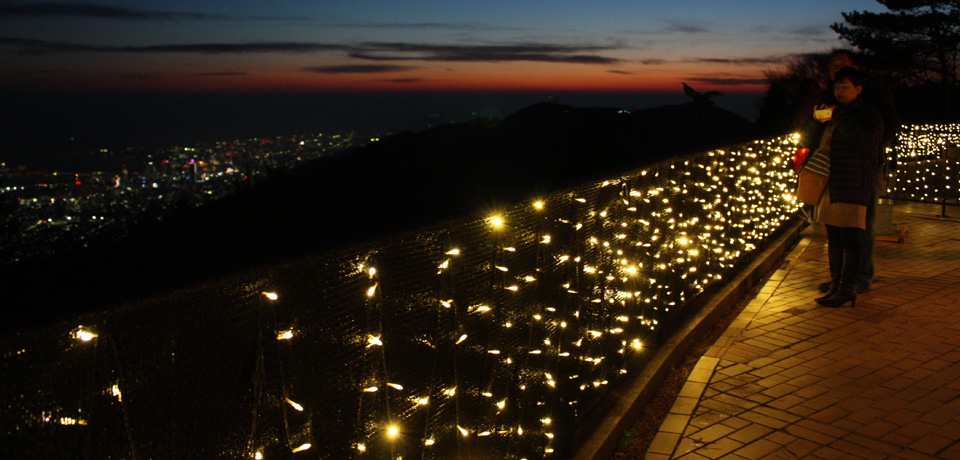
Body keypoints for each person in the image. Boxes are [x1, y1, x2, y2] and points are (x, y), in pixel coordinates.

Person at [796, 50, 900, 294]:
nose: (836, 69)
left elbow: (890, 125)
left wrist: (868, 152)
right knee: (834, 227)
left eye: (842, 64)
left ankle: (858, 279)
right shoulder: (832, 96)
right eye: (833, 65)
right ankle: (840, 281)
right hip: (830, 170)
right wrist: (815, 121)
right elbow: (810, 136)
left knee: (858, 226)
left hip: (860, 169)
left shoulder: (869, 94)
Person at [813, 67, 884, 307]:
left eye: (845, 86)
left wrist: (837, 117)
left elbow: (864, 143)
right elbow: (811, 140)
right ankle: (836, 285)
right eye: (836, 87)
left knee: (851, 239)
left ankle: (847, 288)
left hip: (854, 184)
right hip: (830, 183)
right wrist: (816, 120)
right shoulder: (834, 113)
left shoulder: (869, 115)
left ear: (858, 89)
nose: (839, 91)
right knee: (833, 238)